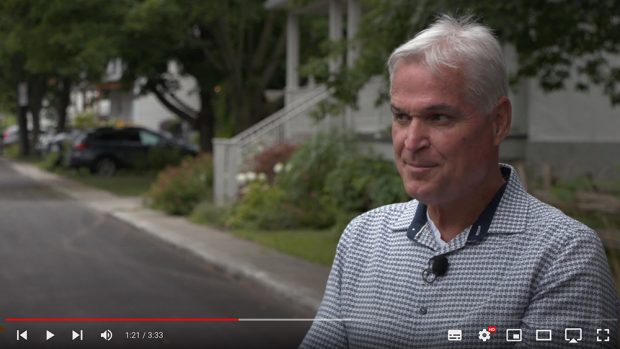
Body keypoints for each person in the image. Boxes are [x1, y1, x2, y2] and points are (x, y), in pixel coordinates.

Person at [300, 14, 619, 348]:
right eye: (401, 117)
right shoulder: (364, 239)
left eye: (438, 117)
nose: (411, 142)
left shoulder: (562, 256)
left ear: (498, 122)